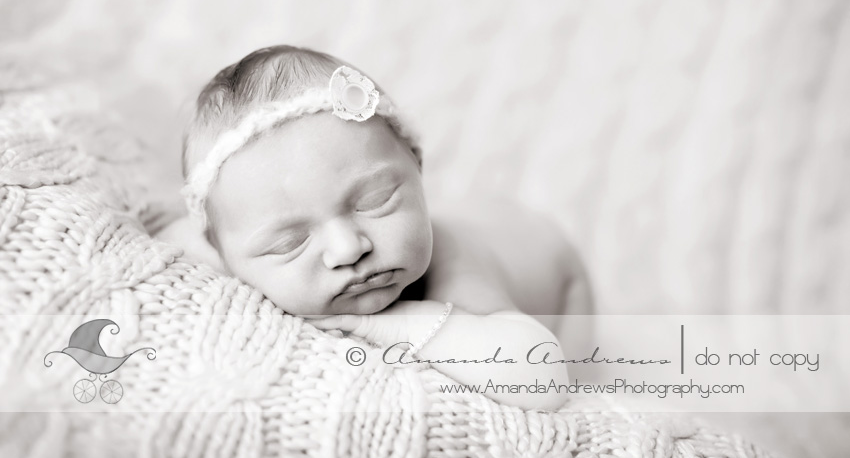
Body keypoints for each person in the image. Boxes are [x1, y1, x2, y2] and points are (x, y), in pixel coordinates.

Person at [156, 45, 594, 410]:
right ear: (222, 252)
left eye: (376, 201)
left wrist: (395, 326)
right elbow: (171, 246)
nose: (348, 249)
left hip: (558, 275)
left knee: (577, 397)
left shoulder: (454, 265)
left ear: (417, 168)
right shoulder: (227, 242)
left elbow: (541, 378)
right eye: (289, 242)